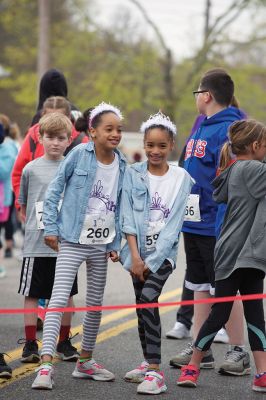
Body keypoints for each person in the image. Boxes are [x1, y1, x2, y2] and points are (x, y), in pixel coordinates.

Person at [31, 102, 126, 390]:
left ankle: (85, 361)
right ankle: (45, 365)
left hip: (101, 243)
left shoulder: (122, 163)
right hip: (72, 238)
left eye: (119, 129)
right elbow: (55, 190)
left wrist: (115, 242)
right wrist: (50, 227)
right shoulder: (78, 156)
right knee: (58, 300)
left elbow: (121, 205)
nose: (115, 134)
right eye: (108, 129)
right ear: (93, 132)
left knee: (95, 305)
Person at [169, 69, 249, 373]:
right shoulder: (201, 126)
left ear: (206, 95)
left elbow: (235, 179)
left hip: (219, 223)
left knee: (225, 288)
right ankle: (201, 347)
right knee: (199, 285)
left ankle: (238, 350)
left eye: (197, 94)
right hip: (194, 222)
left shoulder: (232, 128)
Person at [177, 119, 266, 393]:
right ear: (254, 146)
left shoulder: (235, 169)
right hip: (242, 254)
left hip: (236, 253)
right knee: (245, 315)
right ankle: (195, 366)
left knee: (229, 312)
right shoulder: (254, 169)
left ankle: (260, 373)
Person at [120, 111, 194, 395]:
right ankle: (145, 362)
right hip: (135, 253)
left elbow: (174, 226)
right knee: (141, 304)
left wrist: (150, 261)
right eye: (150, 145)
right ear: (144, 144)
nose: (155, 151)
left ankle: (155, 371)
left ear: (171, 145)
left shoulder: (181, 178)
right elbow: (126, 216)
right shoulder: (132, 173)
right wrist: (135, 257)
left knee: (149, 297)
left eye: (162, 145)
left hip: (162, 257)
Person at [17, 112, 79, 364]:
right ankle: (31, 343)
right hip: (36, 245)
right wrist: (35, 227)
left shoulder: (72, 168)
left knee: (66, 294)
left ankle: (64, 341)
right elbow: (23, 205)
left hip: (65, 246)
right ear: (40, 138)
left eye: (60, 138)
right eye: (50, 137)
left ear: (69, 140)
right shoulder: (30, 169)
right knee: (32, 293)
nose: (55, 142)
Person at [12, 96, 89, 211]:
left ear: (69, 117)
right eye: (49, 117)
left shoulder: (81, 141)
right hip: (36, 215)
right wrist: (22, 206)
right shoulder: (32, 136)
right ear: (42, 115)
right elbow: (18, 174)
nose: (54, 122)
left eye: (59, 117)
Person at [0, 119, 18, 278]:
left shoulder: (8, 147)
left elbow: (5, 171)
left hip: (4, 195)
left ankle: (7, 248)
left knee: (5, 226)